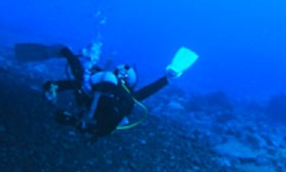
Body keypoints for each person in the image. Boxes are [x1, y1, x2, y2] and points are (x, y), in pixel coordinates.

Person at [39, 46, 194, 141]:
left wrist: (57, 85)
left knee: (83, 80)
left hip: (91, 97)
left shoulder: (108, 84)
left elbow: (79, 83)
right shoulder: (125, 96)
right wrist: (166, 79)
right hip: (96, 114)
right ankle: (65, 62)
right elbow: (145, 92)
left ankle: (64, 61)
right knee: (83, 82)